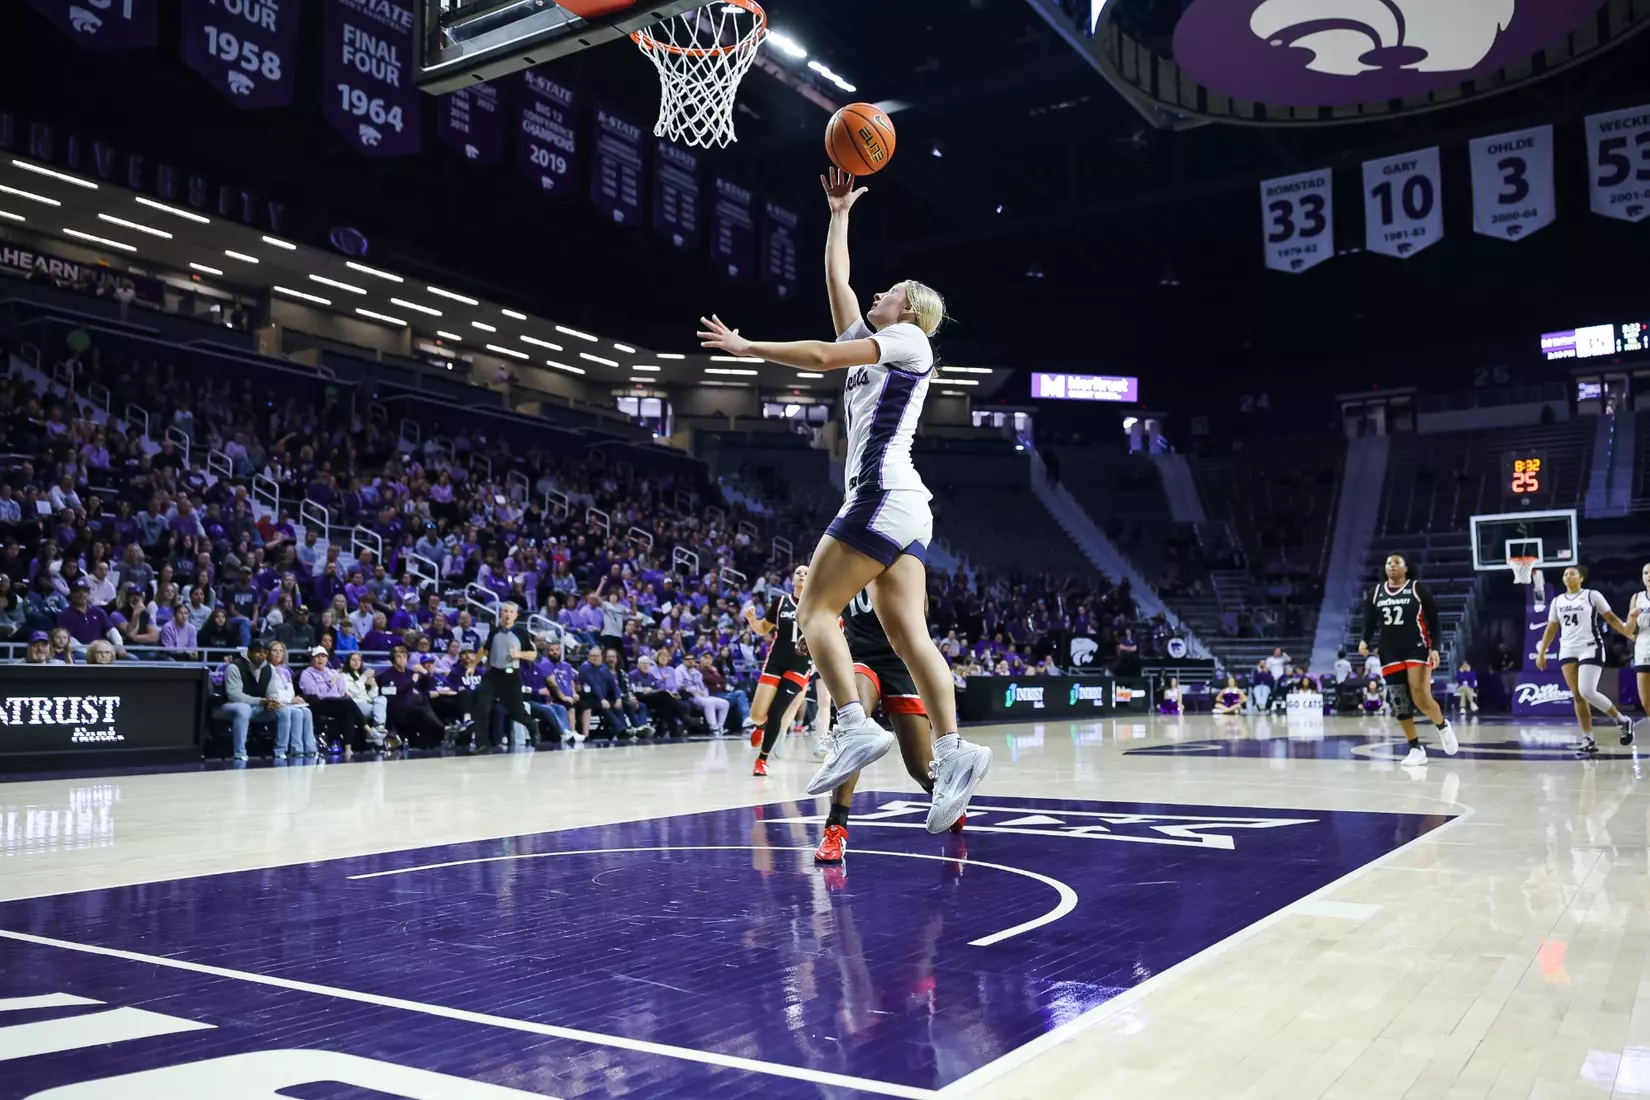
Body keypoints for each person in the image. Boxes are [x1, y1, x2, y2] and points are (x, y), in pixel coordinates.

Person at [697, 167, 988, 834]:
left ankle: (853, 725)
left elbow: (824, 356)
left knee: (812, 613)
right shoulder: (877, 349)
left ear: (908, 311)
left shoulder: (910, 341)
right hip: (908, 505)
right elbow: (840, 286)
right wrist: (838, 215)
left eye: (890, 294)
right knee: (909, 635)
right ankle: (953, 751)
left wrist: (748, 346)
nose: (877, 295)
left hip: (882, 492)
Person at [812, 585, 964, 864]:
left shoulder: (900, 560)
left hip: (900, 660)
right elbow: (825, 607)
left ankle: (946, 796)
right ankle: (835, 827)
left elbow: (919, 614)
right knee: (854, 731)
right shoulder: (844, 557)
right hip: (858, 656)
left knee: (920, 767)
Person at [1359, 553, 1458, 767]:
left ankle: (1442, 726)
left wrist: (1435, 648)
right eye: (1388, 563)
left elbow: (1435, 621)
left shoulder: (1417, 589)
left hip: (1417, 647)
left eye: (1396, 563)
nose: (1392, 566)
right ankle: (1415, 748)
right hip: (1389, 651)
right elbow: (1369, 622)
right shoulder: (1375, 593)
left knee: (1420, 695)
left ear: (1406, 568)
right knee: (1399, 702)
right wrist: (1364, 641)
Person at [1534, 565, 1635, 752]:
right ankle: (1588, 738)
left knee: (1587, 690)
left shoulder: (1592, 595)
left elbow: (1611, 618)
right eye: (1565, 574)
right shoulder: (1557, 601)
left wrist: (1629, 634)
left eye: (1572, 573)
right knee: (1578, 696)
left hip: (1590, 646)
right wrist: (1542, 653)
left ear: (1581, 578)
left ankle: (1622, 720)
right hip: (1567, 649)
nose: (1567, 576)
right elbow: (1551, 629)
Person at [744, 565, 812, 740]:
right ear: (792, 579)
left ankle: (779, 737)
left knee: (785, 707)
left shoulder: (816, 604)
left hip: (801, 663)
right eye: (798, 573)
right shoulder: (781, 602)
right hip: (777, 660)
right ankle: (761, 726)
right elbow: (763, 629)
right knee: (757, 715)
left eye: (806, 573)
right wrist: (752, 619)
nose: (802, 575)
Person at [461, 601, 536, 751]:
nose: (507, 614)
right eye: (505, 611)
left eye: (511, 612)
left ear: (516, 616)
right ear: (501, 613)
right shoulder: (494, 632)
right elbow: (484, 650)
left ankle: (532, 727)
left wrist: (519, 654)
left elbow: (533, 654)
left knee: (517, 712)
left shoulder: (521, 633)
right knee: (481, 708)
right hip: (493, 675)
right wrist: (472, 665)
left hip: (511, 676)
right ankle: (483, 744)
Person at [298, 645, 369, 753]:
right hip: (319, 703)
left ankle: (348, 748)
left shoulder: (333, 672)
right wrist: (330, 683)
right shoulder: (307, 674)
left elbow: (341, 691)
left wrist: (335, 684)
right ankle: (368, 729)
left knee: (348, 711)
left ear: (327, 659)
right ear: (312, 659)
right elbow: (312, 692)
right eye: (317, 657)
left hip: (337, 703)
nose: (320, 659)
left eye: (323, 656)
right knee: (348, 703)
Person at [218, 641, 278, 762]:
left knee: (285, 710)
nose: (262, 656)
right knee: (243, 708)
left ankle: (283, 751)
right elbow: (234, 696)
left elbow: (272, 690)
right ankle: (239, 753)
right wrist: (260, 701)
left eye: (264, 653)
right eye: (258, 653)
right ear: (249, 653)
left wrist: (272, 699)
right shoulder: (234, 667)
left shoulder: (269, 668)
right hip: (229, 706)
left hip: (257, 707)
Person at [378, 644, 446, 749]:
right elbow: (391, 691)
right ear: (393, 659)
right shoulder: (387, 675)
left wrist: (424, 673)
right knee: (420, 712)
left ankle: (431, 743)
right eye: (398, 656)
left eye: (404, 656)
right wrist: (412, 681)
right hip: (397, 710)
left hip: (414, 707)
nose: (402, 659)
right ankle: (443, 731)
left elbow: (427, 687)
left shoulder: (410, 673)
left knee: (425, 706)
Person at [267, 641, 316, 760]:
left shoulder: (286, 670)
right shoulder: (266, 669)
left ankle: (310, 748)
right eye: (275, 650)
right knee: (297, 713)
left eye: (281, 651)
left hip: (287, 702)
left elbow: (290, 691)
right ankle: (293, 749)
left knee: (306, 712)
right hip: (274, 702)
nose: (278, 653)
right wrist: (290, 699)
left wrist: (292, 699)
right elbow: (272, 692)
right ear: (268, 653)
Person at [340, 650, 391, 748]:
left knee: (382, 699)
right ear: (348, 662)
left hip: (366, 702)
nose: (356, 662)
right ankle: (376, 733)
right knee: (378, 710)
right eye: (353, 660)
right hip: (354, 704)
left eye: (358, 660)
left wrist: (373, 686)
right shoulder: (343, 676)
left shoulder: (360, 675)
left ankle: (378, 728)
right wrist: (364, 678)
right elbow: (354, 691)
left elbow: (371, 696)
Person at [1629, 561, 1650, 738]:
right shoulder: (1637, 598)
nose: (1648, 575)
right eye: (1645, 573)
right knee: (1646, 701)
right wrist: (1631, 617)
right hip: (1643, 650)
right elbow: (1629, 630)